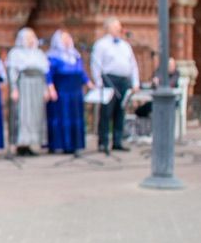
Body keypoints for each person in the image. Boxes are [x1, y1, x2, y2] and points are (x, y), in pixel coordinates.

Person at [90, 16, 140, 152]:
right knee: (106, 112)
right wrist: (99, 83)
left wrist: (135, 82)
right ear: (108, 28)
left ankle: (117, 141)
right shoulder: (101, 44)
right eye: (116, 26)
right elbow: (96, 65)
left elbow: (133, 65)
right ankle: (103, 142)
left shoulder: (125, 45)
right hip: (109, 80)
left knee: (120, 111)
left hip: (123, 81)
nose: (119, 29)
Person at [7, 28, 53, 156]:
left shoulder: (39, 54)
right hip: (24, 85)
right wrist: (14, 88)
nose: (31, 40)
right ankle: (20, 143)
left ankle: (31, 143)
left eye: (33, 37)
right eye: (28, 38)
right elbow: (13, 73)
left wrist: (45, 89)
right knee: (23, 114)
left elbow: (44, 74)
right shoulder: (15, 53)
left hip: (37, 86)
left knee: (35, 115)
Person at [45, 30, 89, 155]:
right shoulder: (53, 56)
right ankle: (60, 144)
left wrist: (89, 82)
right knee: (61, 116)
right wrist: (51, 88)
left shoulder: (75, 55)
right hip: (62, 91)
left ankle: (74, 144)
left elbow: (82, 72)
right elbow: (48, 74)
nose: (67, 41)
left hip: (75, 91)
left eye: (68, 38)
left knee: (75, 116)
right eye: (64, 38)